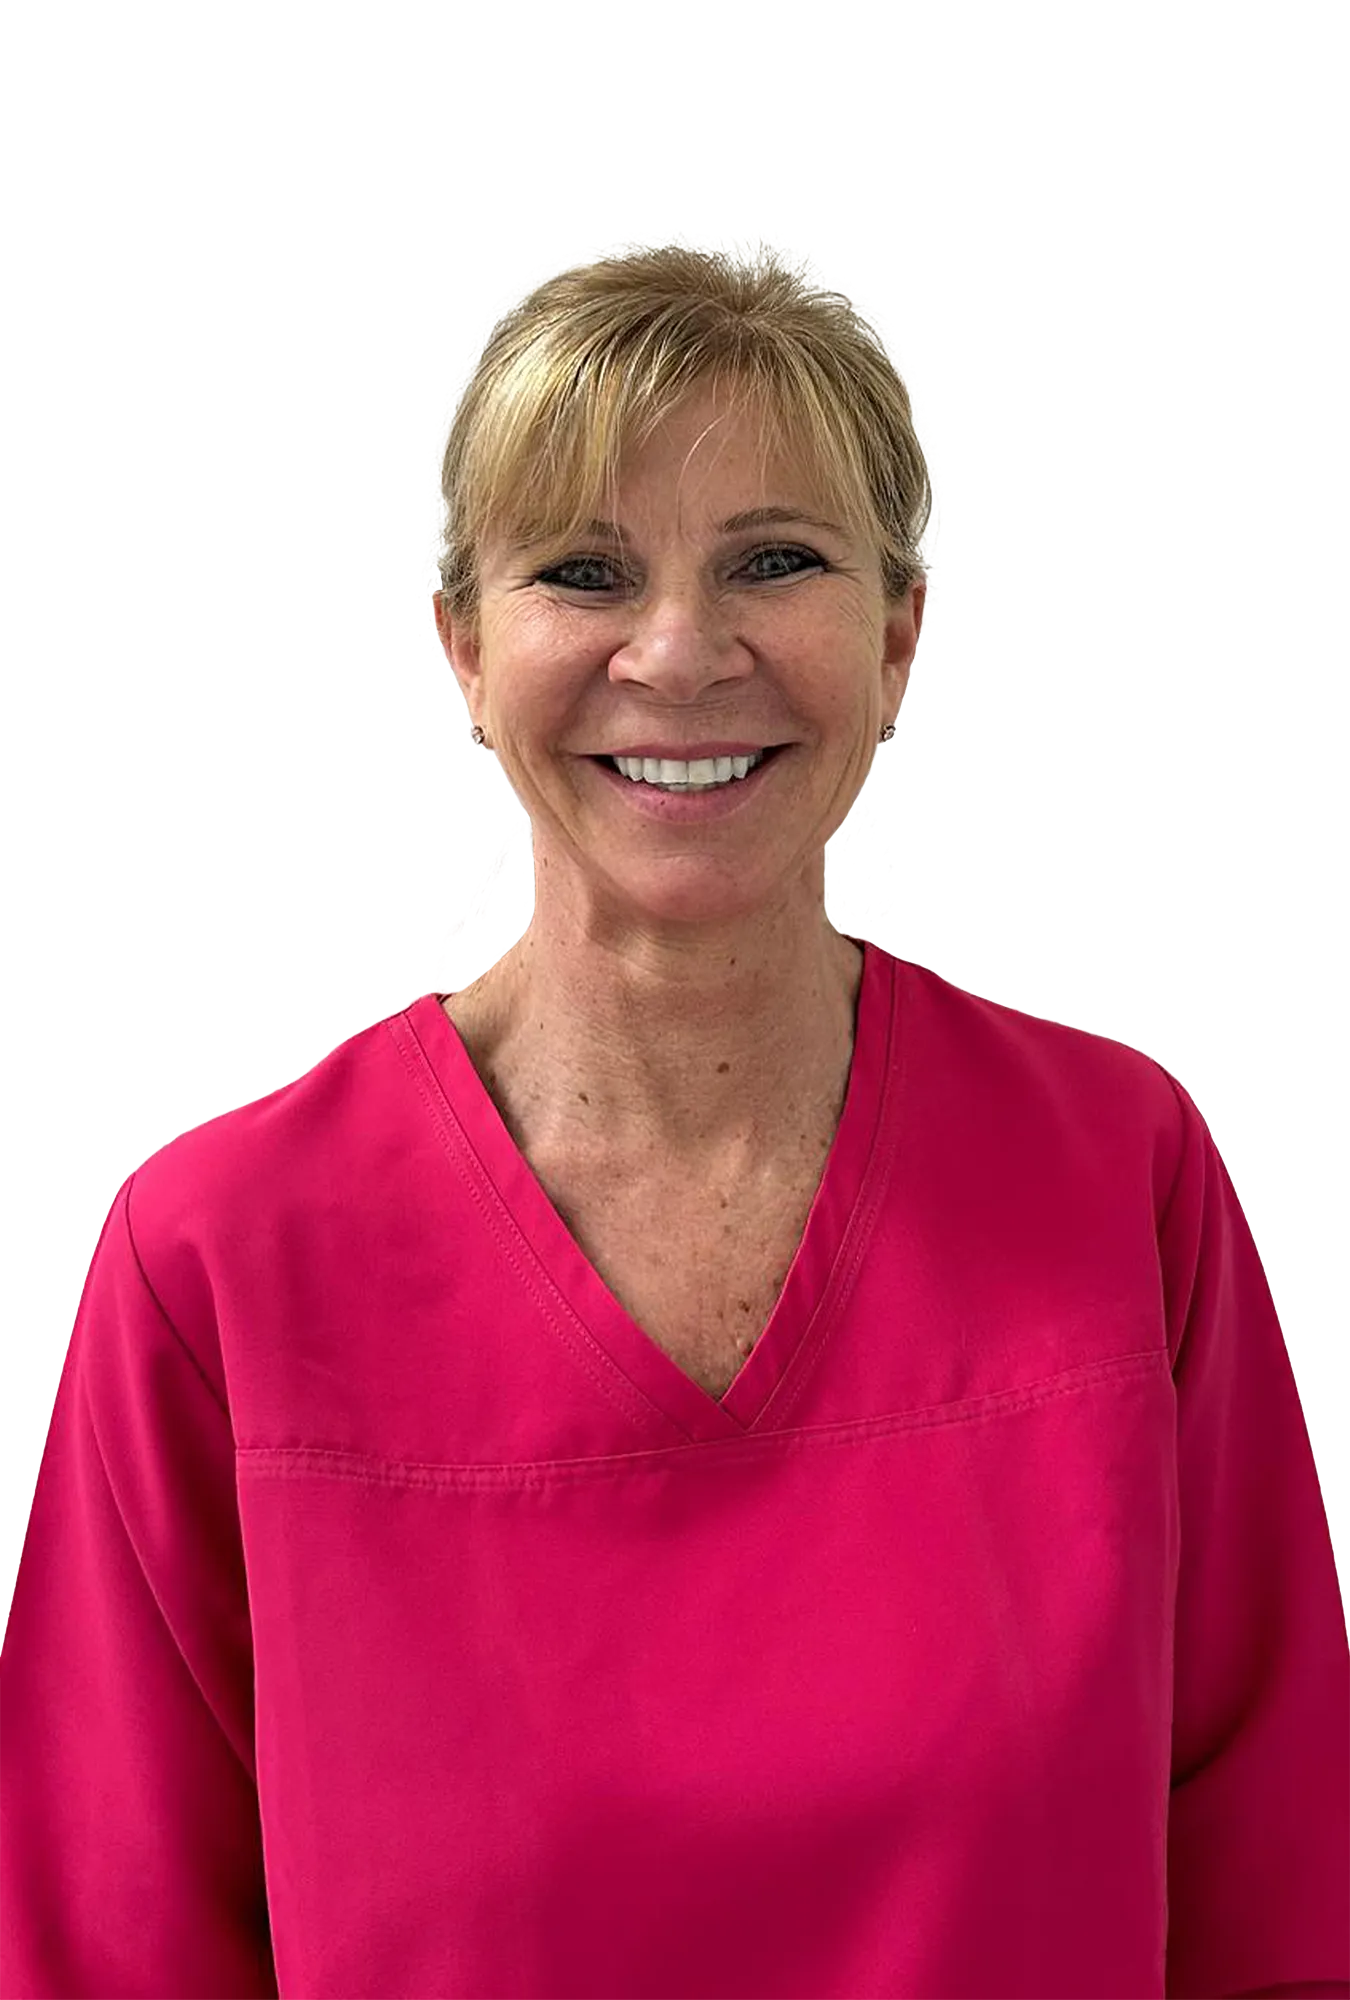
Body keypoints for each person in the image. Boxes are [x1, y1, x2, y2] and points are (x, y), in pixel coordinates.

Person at [2, 232, 1346, 1997]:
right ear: (459, 641)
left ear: (898, 626)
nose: (680, 654)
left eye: (772, 560)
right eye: (585, 571)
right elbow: (112, 1953)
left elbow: (1270, 1905)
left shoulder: (1118, 1171)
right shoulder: (217, 1258)